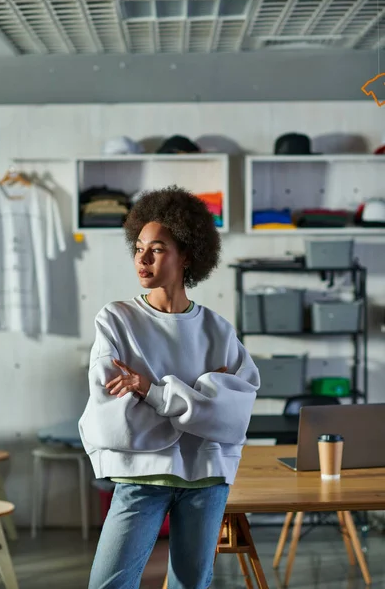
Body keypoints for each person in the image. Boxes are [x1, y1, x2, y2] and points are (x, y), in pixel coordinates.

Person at [79, 186, 260, 589]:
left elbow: (233, 420)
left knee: (191, 585)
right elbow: (114, 418)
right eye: (139, 247)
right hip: (141, 478)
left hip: (207, 478)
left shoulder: (218, 330)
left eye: (157, 249)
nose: (142, 259)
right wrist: (201, 393)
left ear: (187, 256)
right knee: (108, 584)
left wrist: (152, 390)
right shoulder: (117, 320)